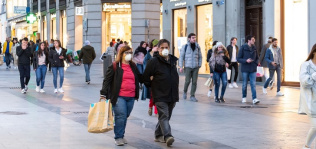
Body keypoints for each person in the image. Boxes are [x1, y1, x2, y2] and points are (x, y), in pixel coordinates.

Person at [100, 46, 142, 146]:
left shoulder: (133, 66)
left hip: (131, 96)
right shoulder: (115, 66)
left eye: (130, 53)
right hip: (119, 96)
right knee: (120, 116)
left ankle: (121, 135)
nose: (129, 55)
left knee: (125, 116)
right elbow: (107, 80)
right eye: (126, 52)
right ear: (121, 54)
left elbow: (140, 78)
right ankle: (118, 137)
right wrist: (103, 93)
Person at [143, 39, 178, 146]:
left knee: (166, 116)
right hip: (159, 94)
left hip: (172, 94)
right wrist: (152, 85)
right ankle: (168, 136)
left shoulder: (172, 60)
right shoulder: (153, 61)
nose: (164, 49)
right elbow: (145, 77)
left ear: (169, 48)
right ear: (158, 49)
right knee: (164, 115)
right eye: (162, 48)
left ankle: (158, 134)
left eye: (166, 47)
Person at [299, 44, 316, 149]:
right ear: (314, 52)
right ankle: (306, 146)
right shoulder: (306, 65)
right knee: (315, 126)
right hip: (310, 100)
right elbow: (305, 82)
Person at [179, 33, 202, 102]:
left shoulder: (197, 46)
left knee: (194, 82)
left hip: (195, 67)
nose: (194, 39)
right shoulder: (185, 46)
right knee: (187, 81)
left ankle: (192, 95)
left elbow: (200, 57)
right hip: (188, 66)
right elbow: (181, 57)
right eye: (192, 38)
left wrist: (199, 65)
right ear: (189, 38)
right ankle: (185, 91)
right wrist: (181, 66)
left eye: (195, 37)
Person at [237, 35, 260, 104]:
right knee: (244, 84)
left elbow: (257, 57)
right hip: (245, 68)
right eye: (252, 39)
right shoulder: (243, 48)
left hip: (253, 68)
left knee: (253, 84)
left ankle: (254, 98)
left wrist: (256, 63)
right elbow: (238, 59)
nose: (254, 41)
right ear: (248, 40)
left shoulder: (255, 48)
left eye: (254, 39)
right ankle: (244, 97)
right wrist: (246, 60)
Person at [143, 39, 159, 116]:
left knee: (158, 95)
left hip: (159, 79)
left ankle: (157, 111)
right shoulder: (148, 56)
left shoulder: (160, 55)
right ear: (152, 46)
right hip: (151, 79)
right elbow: (145, 67)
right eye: (156, 46)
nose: (157, 48)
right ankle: (150, 107)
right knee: (153, 95)